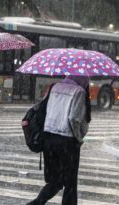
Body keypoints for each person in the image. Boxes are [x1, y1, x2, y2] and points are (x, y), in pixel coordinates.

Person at [27, 75, 91, 205]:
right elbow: (74, 118)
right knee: (70, 184)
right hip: (67, 141)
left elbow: (45, 110)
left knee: (55, 181)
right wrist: (79, 138)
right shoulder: (79, 91)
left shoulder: (55, 87)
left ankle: (36, 203)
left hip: (49, 139)